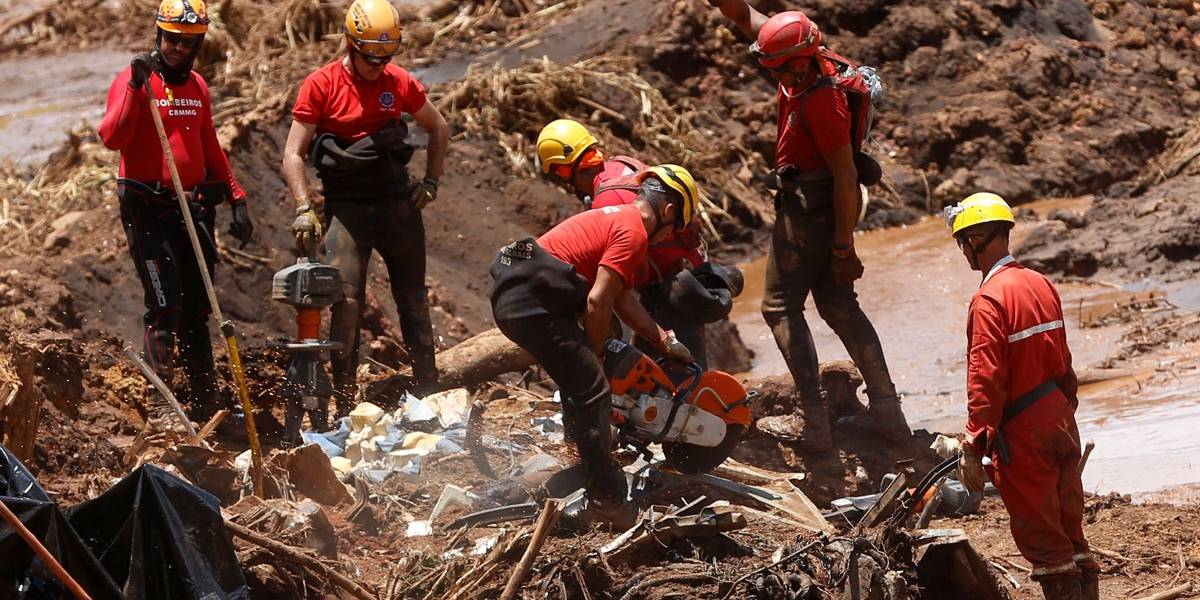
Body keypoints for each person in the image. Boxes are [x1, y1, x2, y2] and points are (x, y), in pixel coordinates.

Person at [708, 2, 909, 450]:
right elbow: (745, 19)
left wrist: (843, 247)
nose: (777, 79)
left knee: (779, 308)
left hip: (812, 209)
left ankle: (812, 420)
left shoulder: (822, 99)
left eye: (782, 71)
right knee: (839, 308)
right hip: (817, 204)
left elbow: (846, 177)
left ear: (799, 61)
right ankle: (888, 414)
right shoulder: (806, 54)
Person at [490, 165, 698, 521]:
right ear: (667, 212)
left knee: (584, 376)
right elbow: (597, 302)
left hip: (519, 286)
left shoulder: (617, 218)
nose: (670, 238)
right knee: (593, 389)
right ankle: (608, 501)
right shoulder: (634, 233)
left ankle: (582, 453)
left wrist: (663, 340)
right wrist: (596, 351)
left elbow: (623, 299)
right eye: (675, 228)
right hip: (530, 300)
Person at [282, 0, 450, 409]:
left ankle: (429, 390)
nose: (378, 65)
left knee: (412, 299)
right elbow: (292, 154)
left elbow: (438, 126)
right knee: (346, 304)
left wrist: (431, 182)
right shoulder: (320, 85)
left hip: (396, 205)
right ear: (350, 45)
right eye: (370, 57)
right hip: (349, 210)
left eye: (386, 57)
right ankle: (344, 402)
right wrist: (304, 206)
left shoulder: (399, 82)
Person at [99, 0, 254, 424]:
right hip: (147, 205)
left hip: (192, 207)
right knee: (165, 304)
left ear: (199, 43)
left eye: (187, 42)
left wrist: (237, 197)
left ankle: (208, 405)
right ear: (158, 35)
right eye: (170, 39)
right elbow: (111, 137)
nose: (176, 49)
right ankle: (160, 408)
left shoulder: (198, 87)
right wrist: (134, 87)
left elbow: (209, 145)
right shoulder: (137, 82)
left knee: (199, 310)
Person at [947, 193, 1097, 600]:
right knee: (1070, 527)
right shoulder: (1040, 283)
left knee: (1046, 542)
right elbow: (1063, 359)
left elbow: (985, 379)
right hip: (1059, 416)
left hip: (1024, 428)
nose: (963, 252)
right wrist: (1065, 409)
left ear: (976, 239)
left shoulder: (988, 300)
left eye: (963, 242)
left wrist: (973, 445)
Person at [535, 119, 743, 367]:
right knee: (680, 376)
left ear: (562, 170)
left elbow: (612, 289)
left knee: (677, 381)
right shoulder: (624, 164)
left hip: (665, 294)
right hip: (686, 275)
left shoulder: (606, 201)